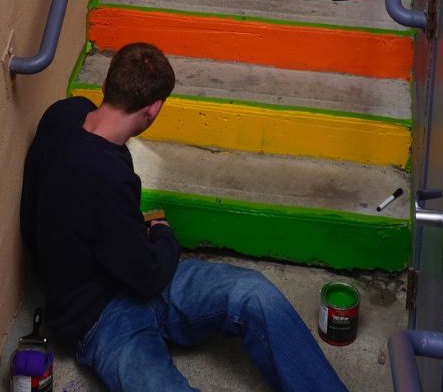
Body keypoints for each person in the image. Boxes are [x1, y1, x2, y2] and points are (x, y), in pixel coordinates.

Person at [20, 42, 349, 391]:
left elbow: (35, 215)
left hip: (127, 272)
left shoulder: (65, 113)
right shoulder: (107, 180)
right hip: (100, 319)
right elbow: (148, 274)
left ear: (107, 84)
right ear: (154, 110)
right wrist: (163, 235)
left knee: (255, 294)